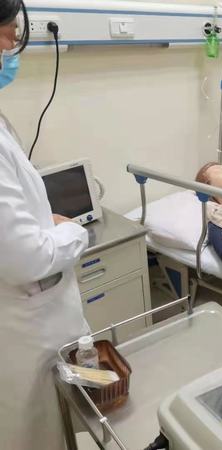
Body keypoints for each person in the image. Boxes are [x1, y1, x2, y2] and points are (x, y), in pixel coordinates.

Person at [0, 2, 90, 449]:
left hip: (29, 316)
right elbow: (25, 257)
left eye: (14, 33)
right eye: (5, 34)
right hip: (26, 328)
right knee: (40, 433)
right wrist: (72, 231)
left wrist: (46, 225)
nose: (11, 46)